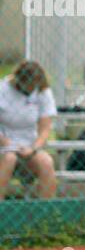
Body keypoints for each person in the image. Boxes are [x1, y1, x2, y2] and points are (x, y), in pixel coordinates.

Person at [0, 60, 58, 199]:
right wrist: (6, 143)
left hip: (29, 144)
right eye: (28, 86)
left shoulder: (43, 91)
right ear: (19, 80)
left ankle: (45, 211)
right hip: (4, 143)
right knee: (9, 158)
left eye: (35, 87)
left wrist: (34, 148)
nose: (32, 90)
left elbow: (45, 129)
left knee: (46, 162)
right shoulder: (3, 89)